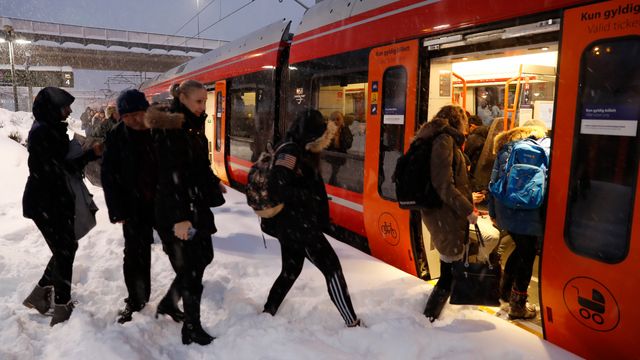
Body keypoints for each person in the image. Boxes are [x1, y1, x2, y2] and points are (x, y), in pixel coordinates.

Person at [261, 109, 362, 327]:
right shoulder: (290, 152)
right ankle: (352, 321)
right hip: (298, 225)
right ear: (310, 134)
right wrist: (307, 197)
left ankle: (268, 311)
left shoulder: (300, 148)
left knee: (291, 270)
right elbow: (277, 188)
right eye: (319, 135)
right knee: (332, 268)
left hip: (294, 223)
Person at [145, 80, 225, 345]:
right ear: (182, 97)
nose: (203, 107)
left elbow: (197, 165)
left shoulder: (191, 124)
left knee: (203, 257)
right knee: (191, 270)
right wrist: (179, 217)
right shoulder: (172, 128)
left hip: (194, 205)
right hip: (177, 210)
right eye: (199, 101)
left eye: (205, 101)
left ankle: (169, 303)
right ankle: (191, 327)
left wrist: (213, 183)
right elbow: (170, 176)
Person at [22, 87, 102, 326]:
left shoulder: (49, 128)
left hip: (51, 200)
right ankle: (61, 307)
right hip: (46, 202)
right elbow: (60, 168)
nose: (68, 111)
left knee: (65, 248)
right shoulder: (43, 133)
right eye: (64, 107)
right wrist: (89, 155)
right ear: (51, 108)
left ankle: (40, 295)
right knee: (65, 251)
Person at [101, 89, 159, 324]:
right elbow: (109, 175)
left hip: (164, 203)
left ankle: (182, 297)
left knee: (182, 252)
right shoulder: (117, 136)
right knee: (135, 254)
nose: (134, 119)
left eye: (137, 113)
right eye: (127, 116)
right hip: (133, 205)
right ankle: (136, 299)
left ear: (146, 111)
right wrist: (116, 210)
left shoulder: (160, 130)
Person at [417, 105, 478, 322]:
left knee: (449, 267)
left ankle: (433, 316)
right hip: (445, 213)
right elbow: (443, 184)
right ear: (457, 121)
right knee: (447, 273)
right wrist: (467, 209)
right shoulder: (444, 141)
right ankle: (429, 318)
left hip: (444, 212)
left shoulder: (440, 138)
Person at [488, 119, 550, 320]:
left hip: (505, 206)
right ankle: (518, 305)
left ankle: (505, 291)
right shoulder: (542, 147)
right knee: (528, 253)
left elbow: (493, 181)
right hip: (529, 208)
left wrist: (493, 212)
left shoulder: (505, 148)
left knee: (521, 248)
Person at [326, 111, 353, 186]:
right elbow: (324, 145)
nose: (335, 121)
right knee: (334, 172)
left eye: (338, 119)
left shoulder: (345, 129)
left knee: (336, 172)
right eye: (333, 119)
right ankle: (332, 184)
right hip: (329, 158)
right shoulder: (327, 130)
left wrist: (339, 136)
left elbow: (348, 144)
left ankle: (333, 183)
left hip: (341, 157)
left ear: (342, 120)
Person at [464, 115, 489, 192]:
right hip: (485, 176)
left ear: (471, 126)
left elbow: (466, 157)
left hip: (474, 176)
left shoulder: (473, 138)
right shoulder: (488, 136)